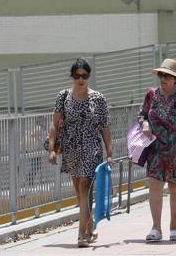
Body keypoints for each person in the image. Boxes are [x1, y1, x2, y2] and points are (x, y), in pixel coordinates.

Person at [47, 57, 114, 247]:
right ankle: (89, 226)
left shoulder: (98, 98)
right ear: (72, 76)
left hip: (91, 146)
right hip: (71, 148)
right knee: (79, 190)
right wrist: (51, 149)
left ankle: (81, 235)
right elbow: (54, 124)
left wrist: (109, 153)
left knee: (85, 185)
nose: (80, 79)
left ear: (89, 76)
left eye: (84, 75)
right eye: (77, 75)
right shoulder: (63, 96)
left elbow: (105, 128)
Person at [139, 59, 176, 243]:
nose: (162, 78)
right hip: (156, 150)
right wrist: (146, 123)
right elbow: (142, 114)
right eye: (161, 75)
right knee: (155, 185)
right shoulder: (151, 95)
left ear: (175, 79)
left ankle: (174, 227)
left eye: (167, 76)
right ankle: (156, 228)